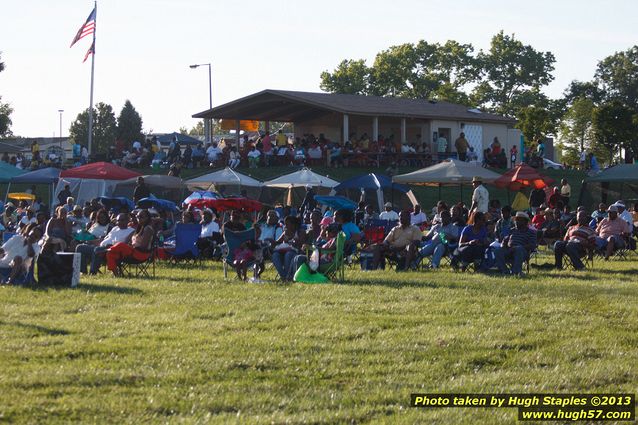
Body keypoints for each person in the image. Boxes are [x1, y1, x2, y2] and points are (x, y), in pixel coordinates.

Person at [106, 209, 154, 275]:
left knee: (119, 245)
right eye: (137, 216)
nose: (138, 218)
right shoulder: (138, 229)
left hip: (141, 254)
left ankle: (108, 249)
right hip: (132, 252)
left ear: (147, 218)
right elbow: (126, 241)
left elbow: (143, 246)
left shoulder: (148, 229)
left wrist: (130, 247)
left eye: (141, 217)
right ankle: (117, 274)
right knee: (110, 253)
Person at [493, 211, 537, 276]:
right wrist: (503, 244)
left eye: (519, 220)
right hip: (509, 250)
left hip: (522, 251)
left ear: (525, 222)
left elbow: (532, 245)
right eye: (516, 220)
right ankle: (504, 270)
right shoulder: (512, 230)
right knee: (497, 250)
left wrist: (519, 247)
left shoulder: (531, 232)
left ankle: (516, 271)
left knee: (518, 249)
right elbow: (504, 241)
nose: (516, 222)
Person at [271, 215, 305, 281]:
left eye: (287, 224)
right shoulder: (285, 232)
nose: (285, 226)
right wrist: (272, 241)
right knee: (275, 255)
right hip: (283, 252)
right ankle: (284, 276)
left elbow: (302, 244)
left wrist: (292, 238)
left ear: (293, 225)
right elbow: (277, 242)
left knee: (288, 254)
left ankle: (287, 276)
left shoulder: (300, 232)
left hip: (296, 253)